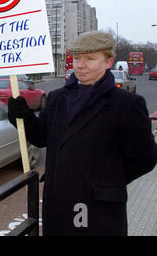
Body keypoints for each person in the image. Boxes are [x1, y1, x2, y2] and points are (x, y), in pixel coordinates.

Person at [8, 31, 157, 236]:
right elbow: (41, 137)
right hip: (58, 202)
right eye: (77, 58)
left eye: (90, 59)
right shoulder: (57, 98)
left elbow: (145, 159)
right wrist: (23, 116)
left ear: (108, 62)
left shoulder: (126, 104)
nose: (80, 65)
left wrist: (107, 182)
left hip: (98, 207)